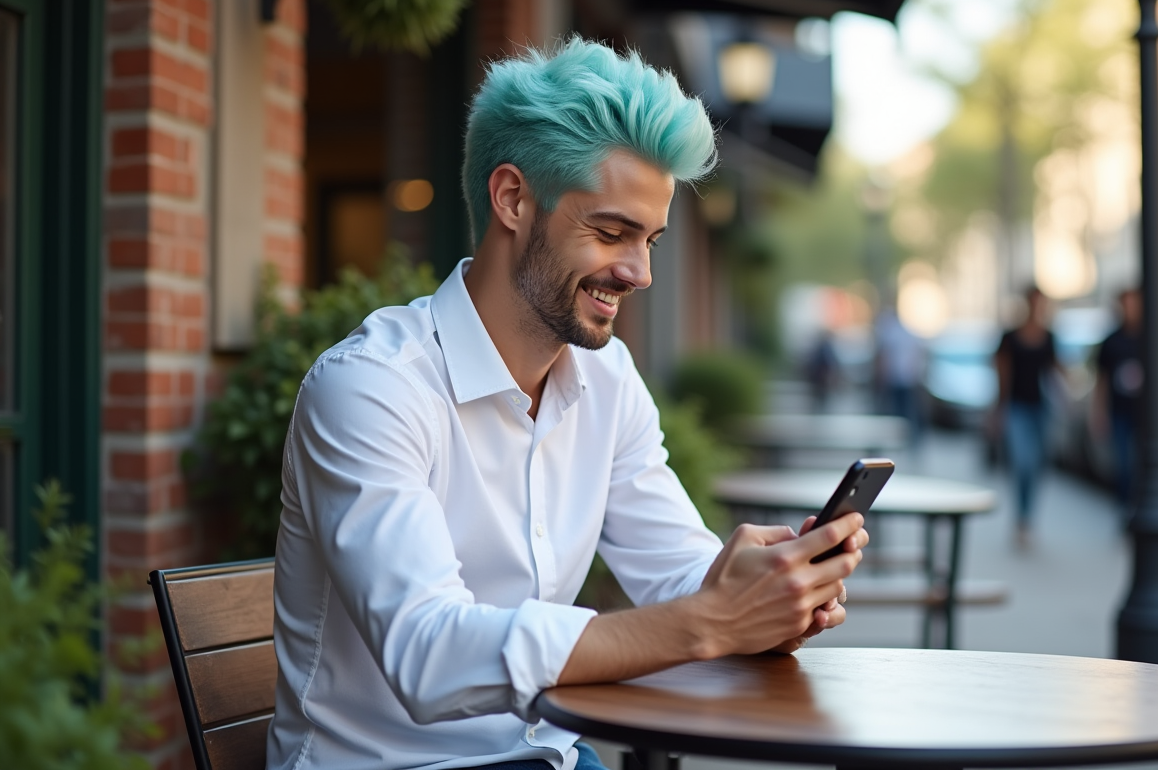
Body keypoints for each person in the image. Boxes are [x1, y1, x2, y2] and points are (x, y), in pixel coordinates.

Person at [267, 39, 869, 770]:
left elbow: (677, 573)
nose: (639, 272)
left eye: (649, 239)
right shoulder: (371, 388)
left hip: (552, 756)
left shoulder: (607, 381)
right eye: (611, 232)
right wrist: (710, 623)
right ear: (514, 199)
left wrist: (765, 599)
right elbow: (428, 655)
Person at [992, 286, 1064, 548]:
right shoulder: (1010, 337)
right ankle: (1021, 518)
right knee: (1023, 462)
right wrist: (998, 409)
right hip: (1017, 407)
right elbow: (1001, 374)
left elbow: (1057, 371)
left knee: (1037, 466)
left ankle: (1028, 518)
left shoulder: (1049, 337)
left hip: (1042, 409)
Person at [1092, 288, 1143, 513]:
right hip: (1119, 412)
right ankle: (1125, 510)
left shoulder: (1148, 338)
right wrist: (1098, 413)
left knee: (1142, 465)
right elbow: (1101, 381)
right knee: (1123, 465)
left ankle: (1137, 506)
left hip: (1143, 414)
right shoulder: (1112, 341)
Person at [873, 306, 925, 440]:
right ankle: (907, 438)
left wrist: (882, 377)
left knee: (895, 413)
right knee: (906, 413)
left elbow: (885, 357)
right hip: (907, 379)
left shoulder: (891, 333)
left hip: (896, 379)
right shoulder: (908, 333)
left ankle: (899, 438)